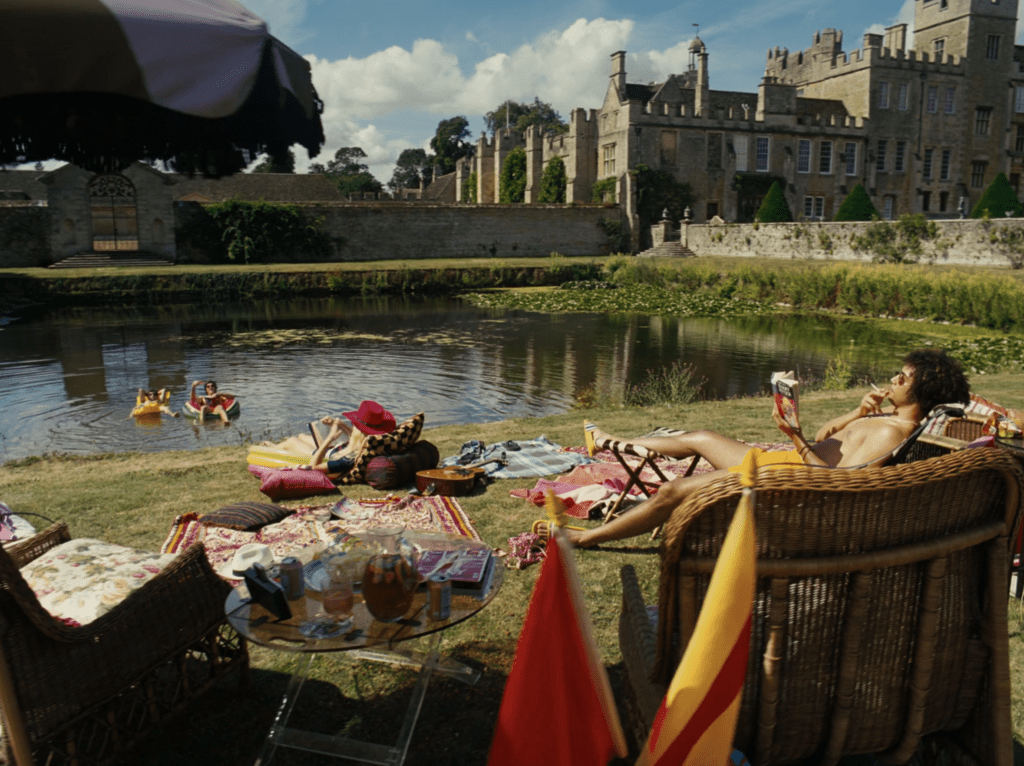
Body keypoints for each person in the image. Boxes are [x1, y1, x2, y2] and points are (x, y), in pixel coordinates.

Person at [569, 348, 970, 548]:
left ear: (922, 390)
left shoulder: (892, 435)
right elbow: (827, 437)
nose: (895, 379)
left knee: (674, 491)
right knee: (702, 438)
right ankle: (621, 444)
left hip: (784, 480)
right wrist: (857, 412)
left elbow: (831, 484)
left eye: (903, 377)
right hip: (783, 462)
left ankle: (585, 540)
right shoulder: (883, 420)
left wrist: (793, 433)